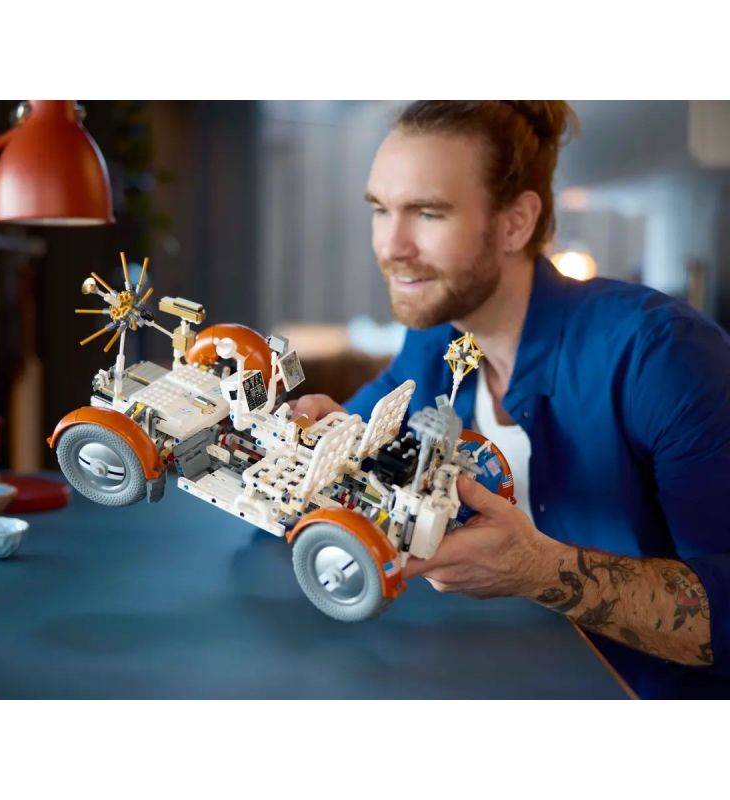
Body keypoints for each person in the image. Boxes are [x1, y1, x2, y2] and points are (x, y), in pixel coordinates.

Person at [291, 100, 730, 699]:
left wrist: (537, 569)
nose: (392, 245)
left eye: (428, 213)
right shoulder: (436, 337)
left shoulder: (660, 356)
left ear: (515, 224)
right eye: (380, 209)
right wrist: (322, 436)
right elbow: (355, 438)